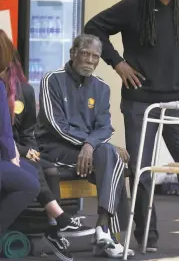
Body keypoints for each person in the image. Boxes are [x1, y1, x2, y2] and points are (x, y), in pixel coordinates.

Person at [84, 0, 179, 253]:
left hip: (178, 104)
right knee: (141, 171)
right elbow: (94, 26)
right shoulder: (134, 6)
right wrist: (117, 63)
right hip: (140, 103)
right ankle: (148, 237)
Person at [35, 34, 135, 259]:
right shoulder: (52, 79)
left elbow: (105, 128)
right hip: (54, 148)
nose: (90, 60)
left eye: (95, 56)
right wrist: (88, 144)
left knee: (112, 154)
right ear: (73, 54)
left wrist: (90, 145)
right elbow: (55, 125)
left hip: (86, 152)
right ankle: (108, 234)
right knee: (111, 155)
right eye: (85, 54)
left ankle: (102, 227)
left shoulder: (102, 87)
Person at [0, 29, 94, 261]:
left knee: (44, 166)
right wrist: (19, 151)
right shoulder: (3, 89)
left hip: (15, 149)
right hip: (8, 152)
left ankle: (55, 226)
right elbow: (5, 135)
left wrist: (29, 149)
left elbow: (27, 131)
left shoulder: (25, 91)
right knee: (32, 172)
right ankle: (58, 221)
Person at [0, 60, 40, 236]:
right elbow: (4, 130)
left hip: (7, 151)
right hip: (5, 153)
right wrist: (13, 155)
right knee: (29, 184)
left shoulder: (23, 90)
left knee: (32, 172)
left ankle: (52, 223)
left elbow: (22, 131)